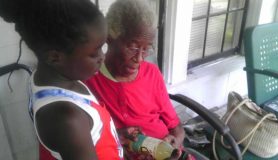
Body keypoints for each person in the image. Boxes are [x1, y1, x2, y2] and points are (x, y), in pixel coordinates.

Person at [0, 0, 124, 159]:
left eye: (102, 47)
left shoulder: (62, 78)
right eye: (94, 53)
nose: (102, 57)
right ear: (54, 57)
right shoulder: (66, 119)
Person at [85, 0, 186, 158]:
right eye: (132, 47)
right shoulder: (89, 82)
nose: (139, 59)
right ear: (110, 38)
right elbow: (88, 140)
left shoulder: (152, 73)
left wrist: (175, 142)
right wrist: (116, 140)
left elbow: (177, 128)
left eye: (146, 49)